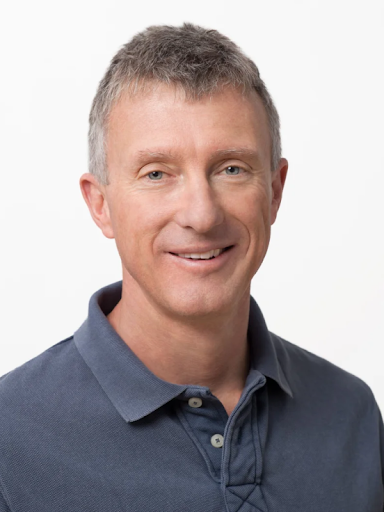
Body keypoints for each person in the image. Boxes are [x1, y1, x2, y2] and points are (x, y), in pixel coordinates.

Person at [0, 23, 383, 512]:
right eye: (156, 173)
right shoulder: (10, 441)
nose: (201, 215)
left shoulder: (352, 414)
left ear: (274, 191)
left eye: (231, 169)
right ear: (100, 205)